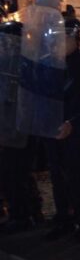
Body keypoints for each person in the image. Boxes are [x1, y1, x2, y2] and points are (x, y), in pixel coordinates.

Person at [43, 17, 80, 241]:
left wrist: (73, 123)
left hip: (77, 131)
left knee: (79, 177)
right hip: (53, 128)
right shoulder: (50, 63)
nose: (59, 43)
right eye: (56, 39)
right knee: (58, 176)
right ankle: (63, 217)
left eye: (64, 39)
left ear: (77, 40)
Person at [0, 20, 44, 234]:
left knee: (18, 174)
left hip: (21, 128)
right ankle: (29, 211)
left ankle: (24, 215)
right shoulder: (7, 63)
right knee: (15, 173)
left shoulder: (27, 64)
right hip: (9, 127)